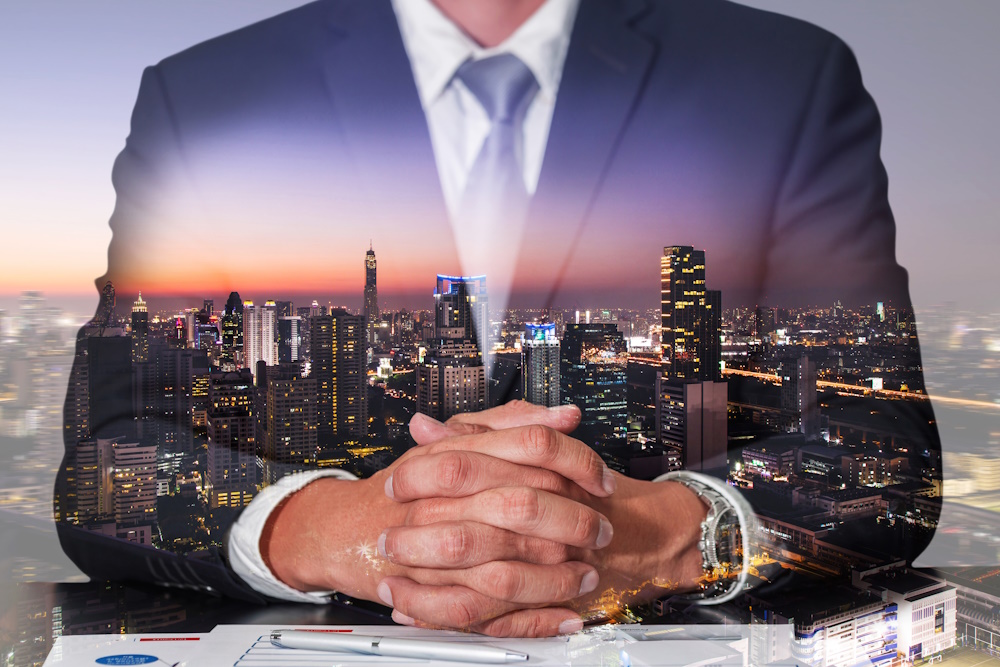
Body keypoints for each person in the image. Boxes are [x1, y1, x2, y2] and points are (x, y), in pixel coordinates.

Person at [58, 0, 941, 638]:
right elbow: (105, 468)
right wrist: (334, 530)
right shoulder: (207, 95)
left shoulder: (782, 77)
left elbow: (887, 448)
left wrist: (674, 537)